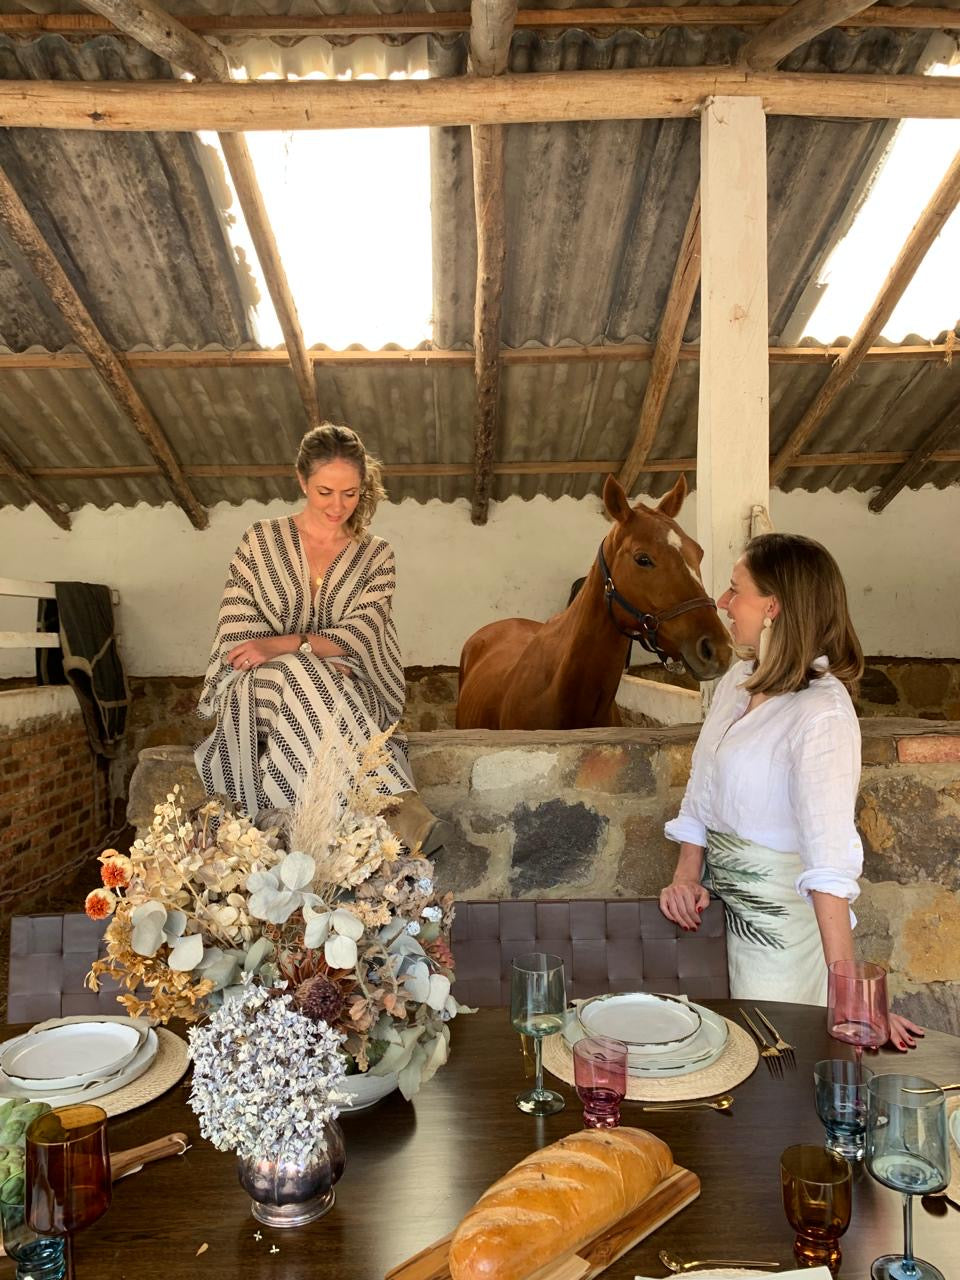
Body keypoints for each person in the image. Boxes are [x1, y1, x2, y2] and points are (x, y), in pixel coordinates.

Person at [658, 533, 921, 1050]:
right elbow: (702, 786)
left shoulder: (822, 714)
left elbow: (827, 863)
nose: (723, 603)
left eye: (736, 591)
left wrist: (853, 997)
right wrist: (686, 873)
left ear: (773, 606)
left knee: (770, 1070)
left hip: (776, 945)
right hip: (712, 929)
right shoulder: (740, 680)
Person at [195, 422, 447, 854]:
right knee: (296, 672)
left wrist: (283, 646)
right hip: (258, 692)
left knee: (301, 677)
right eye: (324, 491)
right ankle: (395, 807)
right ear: (301, 481)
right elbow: (239, 639)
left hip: (353, 690)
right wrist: (309, 653)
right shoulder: (260, 541)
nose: (338, 505)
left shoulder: (377, 554)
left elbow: (361, 632)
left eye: (350, 493)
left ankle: (292, 841)